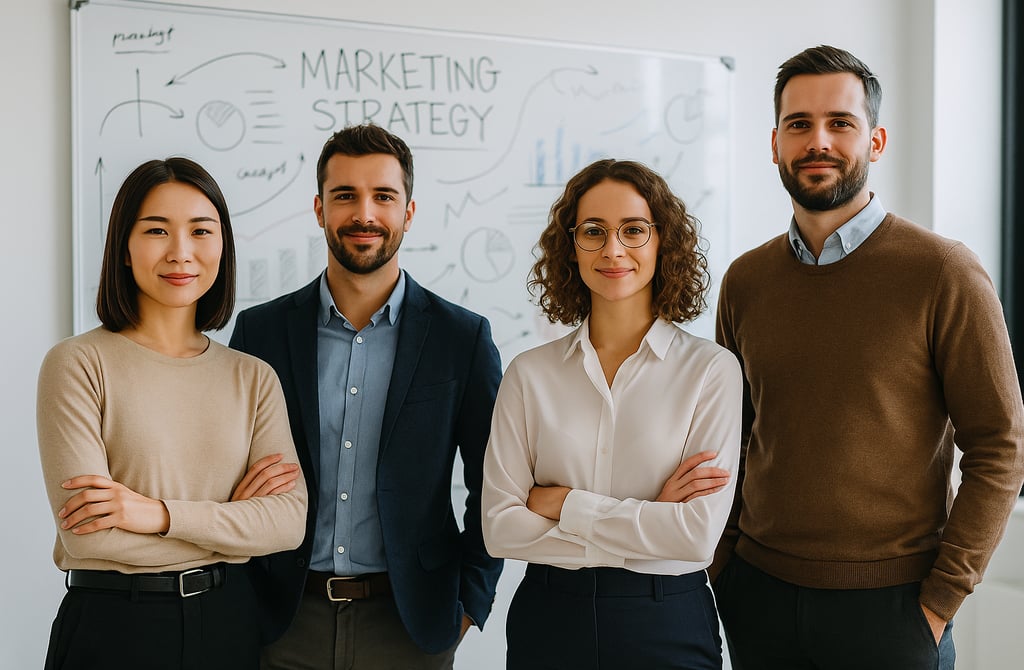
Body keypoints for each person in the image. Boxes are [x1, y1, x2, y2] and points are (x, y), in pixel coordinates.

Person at [711, 44, 1024, 670]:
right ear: (774, 143)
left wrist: (941, 599)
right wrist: (725, 568)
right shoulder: (745, 281)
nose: (818, 141)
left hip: (895, 610)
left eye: (840, 123)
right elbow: (731, 437)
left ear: (875, 141)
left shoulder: (944, 271)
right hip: (758, 598)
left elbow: (1000, 446)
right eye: (798, 124)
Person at [229, 123, 503, 670]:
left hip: (409, 625)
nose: (364, 214)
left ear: (409, 211)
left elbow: (493, 483)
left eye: (383, 196)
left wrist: (470, 602)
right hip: (282, 620)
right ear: (319, 208)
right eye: (344, 196)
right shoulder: (260, 333)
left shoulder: (461, 339)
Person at [37, 157, 308, 670]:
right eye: (157, 230)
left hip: (229, 623)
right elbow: (88, 534)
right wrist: (234, 537)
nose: (180, 252)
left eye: (200, 231)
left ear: (222, 246)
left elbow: (288, 524)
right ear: (124, 246)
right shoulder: (78, 364)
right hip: (115, 625)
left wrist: (157, 515)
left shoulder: (253, 377)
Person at [482, 158, 742, 670]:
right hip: (550, 616)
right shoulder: (529, 374)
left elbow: (695, 537)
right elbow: (500, 528)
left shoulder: (710, 371)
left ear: (663, 241)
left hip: (667, 620)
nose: (613, 249)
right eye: (593, 231)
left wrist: (564, 504)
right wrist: (649, 522)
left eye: (634, 230)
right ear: (570, 246)